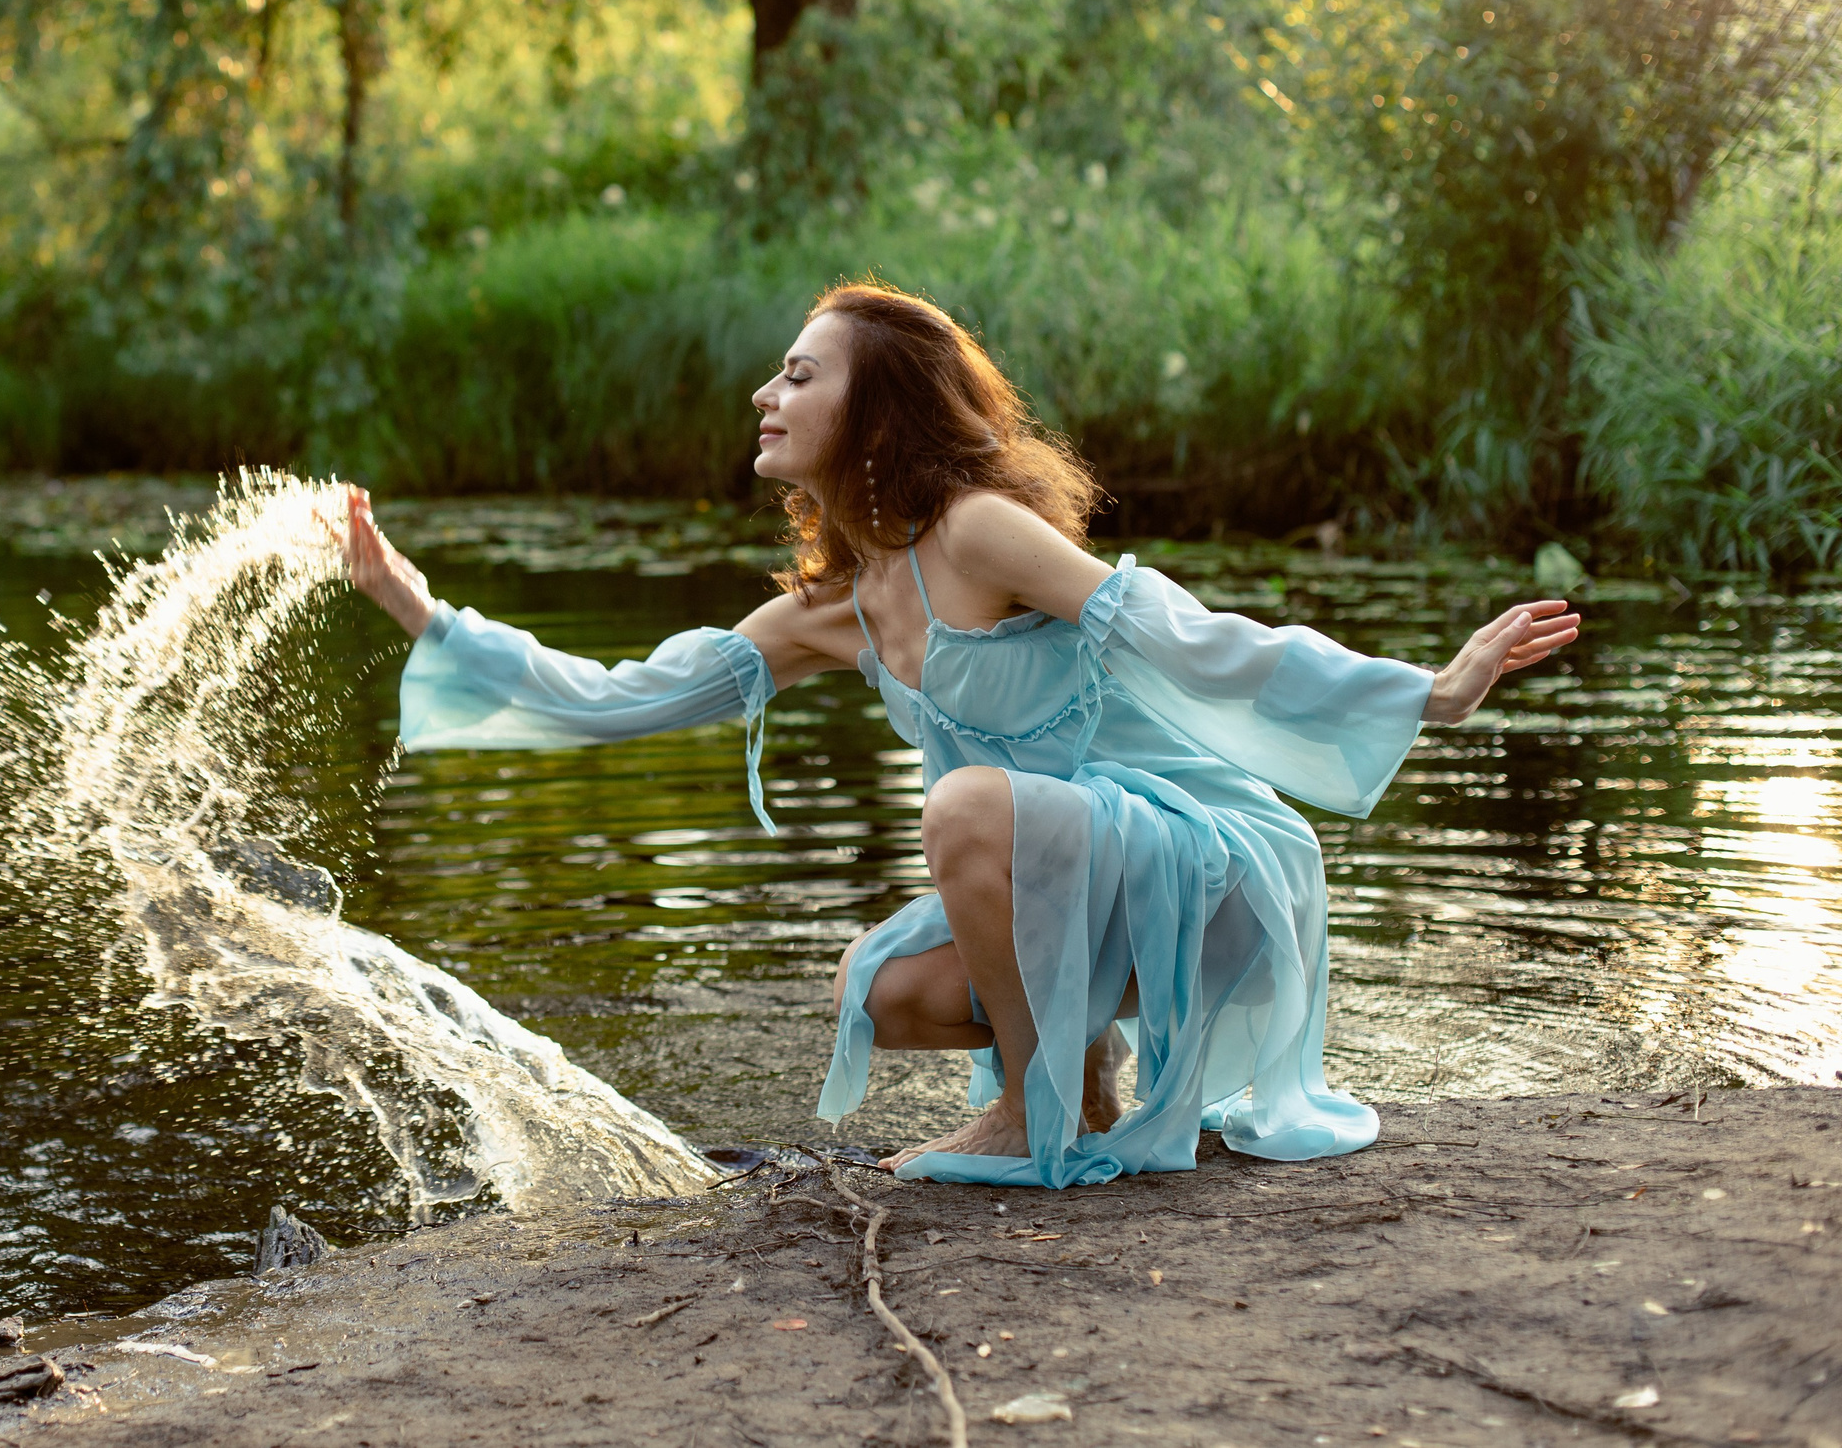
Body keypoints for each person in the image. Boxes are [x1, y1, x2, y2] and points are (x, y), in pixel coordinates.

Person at [339, 283, 1579, 1189]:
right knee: (871, 994)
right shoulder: (829, 612)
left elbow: (1184, 634)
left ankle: (1033, 1118)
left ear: (874, 412)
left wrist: (1431, 691)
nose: (764, 396)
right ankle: (1083, 1084)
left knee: (964, 807)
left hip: (1207, 872)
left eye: (797, 374)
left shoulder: (977, 535)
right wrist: (417, 606)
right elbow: (617, 697)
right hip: (1080, 886)